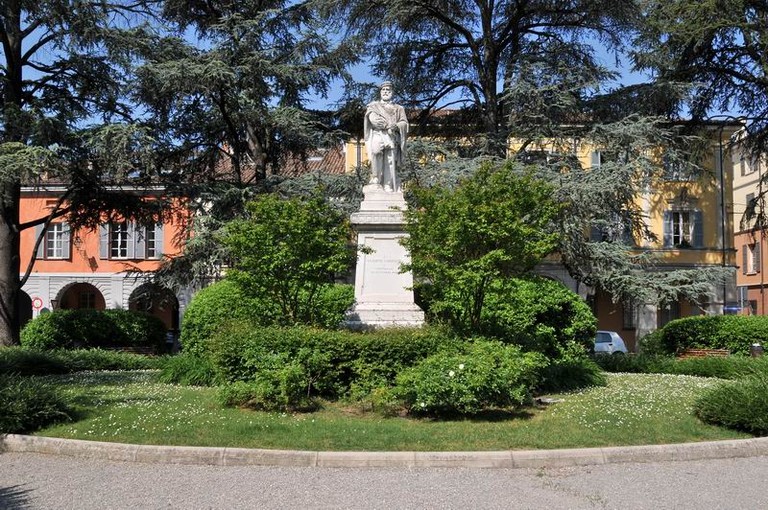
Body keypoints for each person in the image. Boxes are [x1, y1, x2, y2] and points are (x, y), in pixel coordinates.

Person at [364, 81, 408, 192]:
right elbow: (374, 120)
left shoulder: (399, 108)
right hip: (378, 133)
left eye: (388, 90)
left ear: (392, 92)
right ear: (380, 92)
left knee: (390, 160)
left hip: (392, 135)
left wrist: (396, 126)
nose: (385, 92)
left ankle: (388, 184)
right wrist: (387, 126)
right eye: (383, 90)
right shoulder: (373, 106)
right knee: (376, 152)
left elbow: (404, 122)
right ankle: (376, 178)